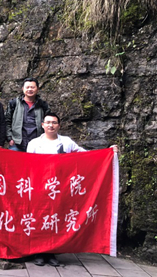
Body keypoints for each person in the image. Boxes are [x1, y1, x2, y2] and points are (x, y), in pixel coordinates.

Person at [27, 113, 119, 267]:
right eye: (48, 122)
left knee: (56, 219)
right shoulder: (34, 143)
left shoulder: (66, 142)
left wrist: (106, 152)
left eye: (54, 123)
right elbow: (28, 165)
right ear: (42, 125)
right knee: (41, 219)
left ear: (59, 125)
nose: (51, 125)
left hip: (60, 188)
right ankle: (39, 253)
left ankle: (52, 253)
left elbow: (85, 156)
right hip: (40, 187)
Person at [5, 78, 51, 151]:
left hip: (38, 144)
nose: (30, 89)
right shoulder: (14, 103)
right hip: (17, 143)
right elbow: (7, 121)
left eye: (32, 87)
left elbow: (49, 123)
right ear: (23, 89)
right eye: (27, 87)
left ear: (37, 89)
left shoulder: (42, 105)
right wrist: (10, 138)